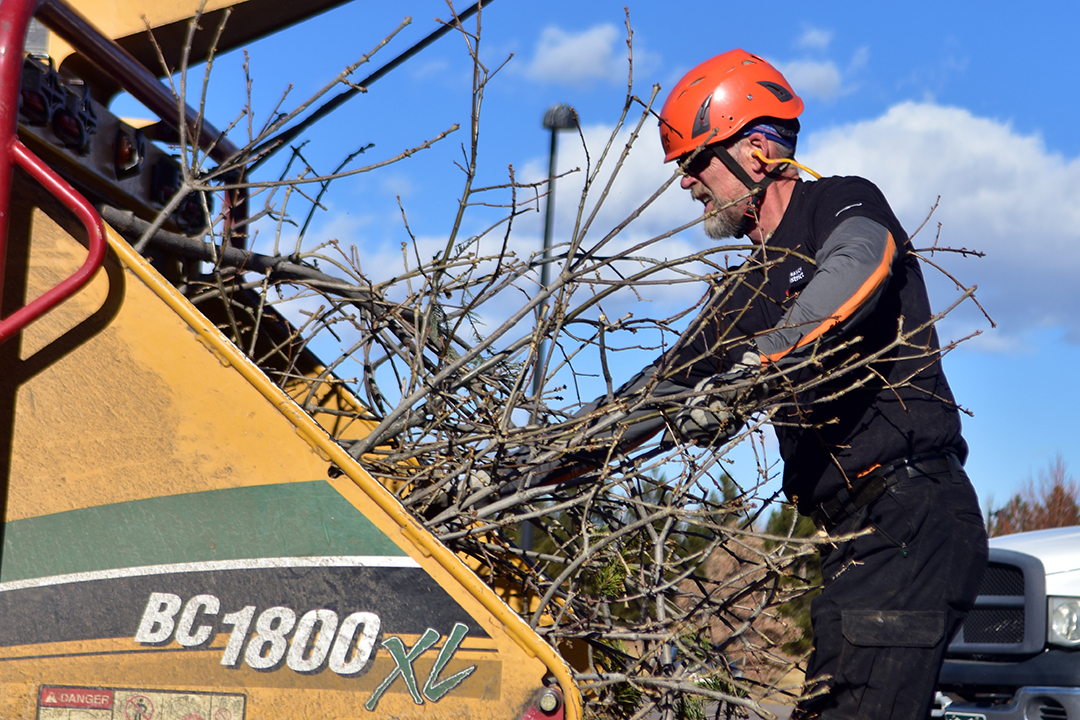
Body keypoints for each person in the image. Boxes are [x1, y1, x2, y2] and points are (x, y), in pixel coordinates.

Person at [505, 49, 989, 719]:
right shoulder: (743, 291)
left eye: (696, 161)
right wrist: (531, 466)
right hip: (855, 537)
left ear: (757, 150)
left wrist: (751, 373)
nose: (685, 182)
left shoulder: (840, 204)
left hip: (910, 515)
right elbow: (656, 391)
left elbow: (858, 265)